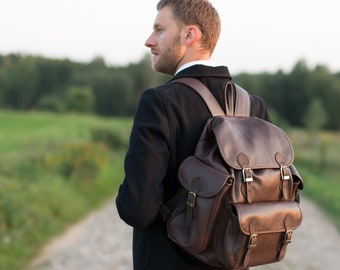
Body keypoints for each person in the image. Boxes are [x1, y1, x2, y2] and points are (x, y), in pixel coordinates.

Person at [116, 0, 270, 269]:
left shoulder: (159, 102)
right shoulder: (254, 105)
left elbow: (138, 210)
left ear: (189, 35)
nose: (149, 41)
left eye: (159, 30)